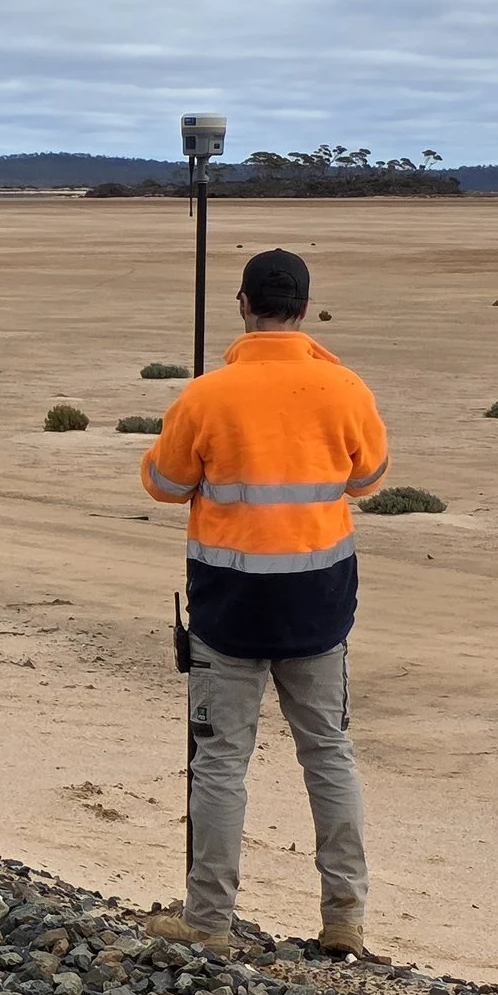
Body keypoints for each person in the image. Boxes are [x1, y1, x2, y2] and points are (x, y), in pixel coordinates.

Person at [138, 248, 389, 957]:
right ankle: (344, 916)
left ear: (244, 305)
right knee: (329, 754)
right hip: (318, 605)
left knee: (220, 762)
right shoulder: (346, 388)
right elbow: (368, 475)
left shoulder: (206, 395)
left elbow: (162, 480)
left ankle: (209, 920)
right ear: (304, 309)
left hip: (231, 607)